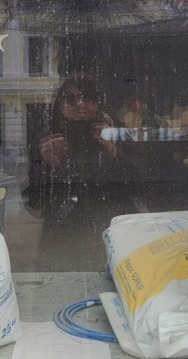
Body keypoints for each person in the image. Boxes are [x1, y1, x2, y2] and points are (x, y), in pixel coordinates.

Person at [23, 74, 145, 270]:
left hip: (111, 234)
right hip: (62, 239)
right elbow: (34, 203)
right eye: (71, 98)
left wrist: (113, 152)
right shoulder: (47, 137)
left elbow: (140, 185)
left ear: (97, 103)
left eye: (88, 97)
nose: (80, 103)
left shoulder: (113, 130)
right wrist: (48, 166)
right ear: (61, 104)